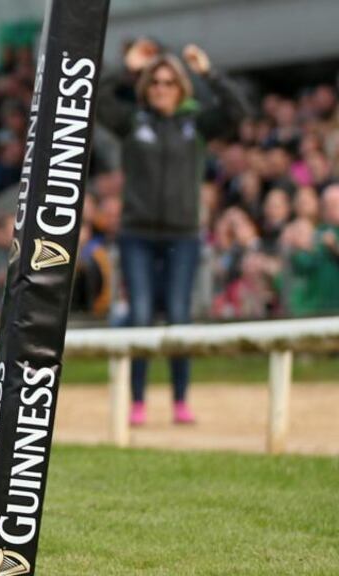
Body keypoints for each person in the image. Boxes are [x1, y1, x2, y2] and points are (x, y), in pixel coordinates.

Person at [98, 43, 247, 426]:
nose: (162, 88)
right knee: (142, 317)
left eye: (170, 82)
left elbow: (238, 111)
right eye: (156, 82)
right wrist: (126, 69)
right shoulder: (133, 122)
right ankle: (138, 402)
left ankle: (181, 401)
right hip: (137, 235)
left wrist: (208, 72)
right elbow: (95, 100)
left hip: (183, 235)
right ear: (146, 87)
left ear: (181, 87)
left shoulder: (194, 124)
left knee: (180, 317)